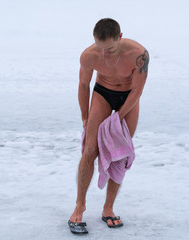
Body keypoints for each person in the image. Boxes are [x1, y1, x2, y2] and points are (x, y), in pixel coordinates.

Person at [68, 18, 149, 233]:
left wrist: (118, 118)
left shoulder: (139, 54)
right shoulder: (89, 55)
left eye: (110, 49)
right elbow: (84, 85)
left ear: (120, 38)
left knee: (120, 155)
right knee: (90, 150)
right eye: (100, 48)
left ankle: (108, 209)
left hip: (129, 98)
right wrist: (85, 117)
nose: (105, 54)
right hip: (103, 94)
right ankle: (79, 205)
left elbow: (137, 91)